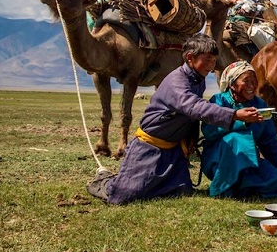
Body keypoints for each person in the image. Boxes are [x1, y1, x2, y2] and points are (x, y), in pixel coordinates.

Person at [86, 34, 263, 204]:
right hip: (149, 147)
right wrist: (233, 115)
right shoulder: (176, 81)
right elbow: (193, 106)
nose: (212, 65)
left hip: (172, 151)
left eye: (214, 60)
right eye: (207, 59)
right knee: (121, 195)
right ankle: (102, 180)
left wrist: (191, 137)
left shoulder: (198, 78)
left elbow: (191, 115)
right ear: (190, 57)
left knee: (180, 190)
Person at [200, 61, 277, 198]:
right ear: (232, 85)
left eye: (254, 80)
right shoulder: (219, 101)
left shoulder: (259, 104)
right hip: (219, 160)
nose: (252, 85)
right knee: (237, 139)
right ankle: (221, 188)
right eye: (246, 80)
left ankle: (239, 189)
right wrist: (242, 122)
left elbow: (269, 141)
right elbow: (209, 131)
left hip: (249, 160)